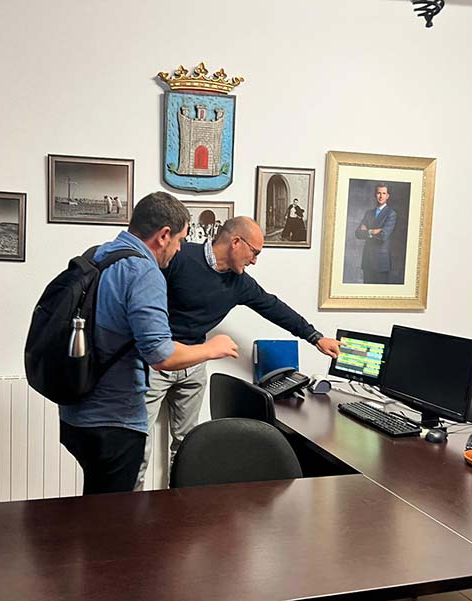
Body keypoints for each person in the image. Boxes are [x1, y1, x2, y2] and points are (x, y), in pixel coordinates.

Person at [136, 216, 341, 488]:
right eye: (254, 252)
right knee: (137, 445)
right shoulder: (181, 257)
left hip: (194, 364)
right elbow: (142, 296)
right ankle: (130, 509)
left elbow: (273, 307)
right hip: (156, 362)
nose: (254, 261)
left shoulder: (240, 283)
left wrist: (315, 337)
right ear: (235, 242)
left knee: (188, 447)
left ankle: (181, 509)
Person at [59, 191, 239, 495]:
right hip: (114, 420)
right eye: (180, 240)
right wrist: (212, 349)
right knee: (116, 512)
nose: (180, 249)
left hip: (76, 413)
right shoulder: (143, 271)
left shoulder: (99, 254)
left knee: (96, 507)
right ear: (164, 235)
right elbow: (161, 355)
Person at [355, 183, 397, 284]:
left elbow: (383, 235)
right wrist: (372, 231)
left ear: (387, 196)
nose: (381, 196)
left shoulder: (391, 213)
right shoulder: (368, 213)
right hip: (367, 260)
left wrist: (367, 231)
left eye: (384, 193)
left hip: (381, 262)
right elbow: (358, 233)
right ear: (375, 195)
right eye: (379, 193)